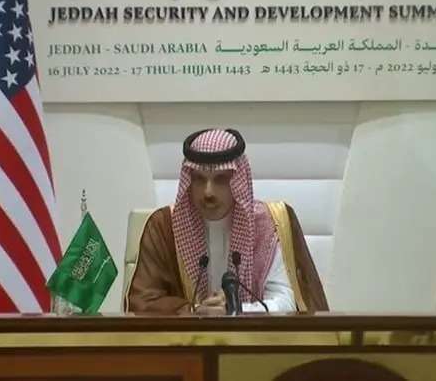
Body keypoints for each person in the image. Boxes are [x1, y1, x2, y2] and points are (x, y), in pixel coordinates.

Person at [125, 128, 328, 314]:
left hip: (252, 339)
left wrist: (236, 310)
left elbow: (286, 302)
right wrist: (195, 310)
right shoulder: (164, 227)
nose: (208, 192)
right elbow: (142, 303)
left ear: (239, 180)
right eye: (199, 179)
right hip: (184, 340)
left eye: (221, 179)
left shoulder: (268, 224)